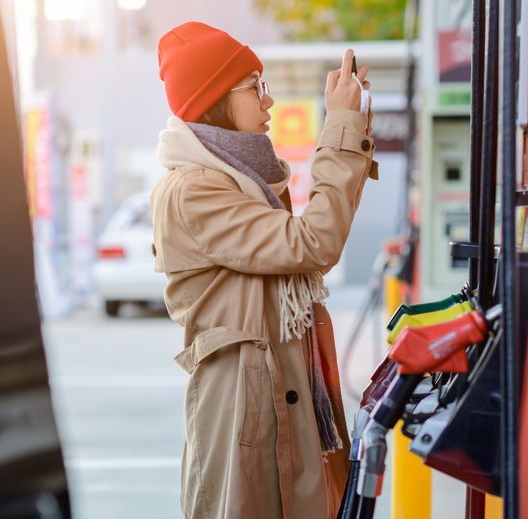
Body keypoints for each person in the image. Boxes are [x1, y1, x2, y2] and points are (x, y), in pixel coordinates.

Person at [152, 21, 378, 519]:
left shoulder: (242, 178)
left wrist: (348, 126)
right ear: (213, 99)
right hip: (246, 413)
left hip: (274, 400)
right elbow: (311, 242)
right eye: (255, 87)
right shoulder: (194, 189)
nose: (268, 101)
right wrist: (340, 129)